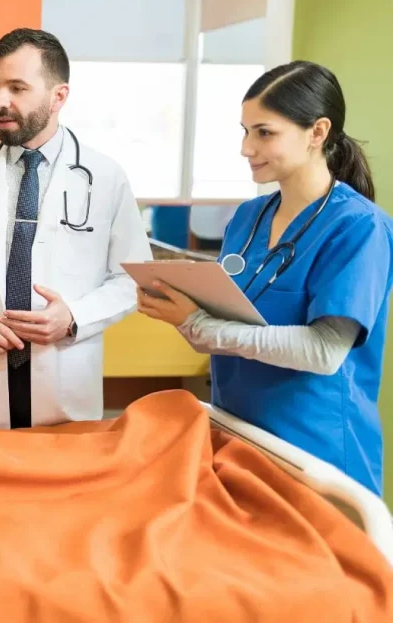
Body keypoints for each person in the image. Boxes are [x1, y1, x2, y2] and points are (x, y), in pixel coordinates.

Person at [137, 61, 393, 496]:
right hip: (239, 436)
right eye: (244, 130)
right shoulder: (248, 218)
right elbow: (229, 329)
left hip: (317, 452)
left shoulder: (358, 228)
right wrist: (184, 315)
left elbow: (323, 352)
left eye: (264, 132)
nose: (246, 147)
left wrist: (201, 325)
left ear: (318, 132)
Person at [0, 28, 152, 429]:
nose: (0, 102)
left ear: (59, 97)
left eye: (17, 88)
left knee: (63, 487)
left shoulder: (105, 177)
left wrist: (75, 316)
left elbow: (132, 278)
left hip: (66, 387)